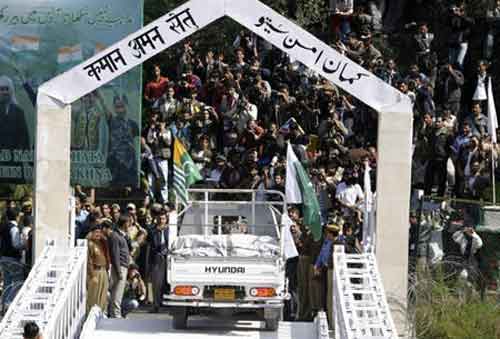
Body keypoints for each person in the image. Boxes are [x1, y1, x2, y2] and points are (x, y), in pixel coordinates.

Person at [107, 215, 130, 318]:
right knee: (117, 293)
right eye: (129, 223)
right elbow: (115, 254)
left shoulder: (122, 236)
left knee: (118, 292)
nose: (129, 225)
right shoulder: (115, 236)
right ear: (124, 223)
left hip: (123, 266)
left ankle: (114, 313)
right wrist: (119, 271)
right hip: (119, 267)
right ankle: (115, 314)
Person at [0, 75, 30, 150]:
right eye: (1, 89)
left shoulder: (18, 111)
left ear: (11, 91)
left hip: (14, 157)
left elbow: (24, 136)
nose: (4, 92)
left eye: (7, 89)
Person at [86, 224, 110, 313]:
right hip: (95, 271)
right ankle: (90, 314)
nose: (98, 234)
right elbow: (89, 261)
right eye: (96, 232)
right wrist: (92, 275)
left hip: (104, 270)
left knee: (103, 295)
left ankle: (101, 313)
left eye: (99, 232)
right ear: (91, 233)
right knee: (94, 296)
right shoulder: (90, 244)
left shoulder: (102, 243)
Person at [150, 210, 169, 313]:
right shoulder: (153, 230)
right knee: (157, 283)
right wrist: (157, 230)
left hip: (168, 258)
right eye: (160, 219)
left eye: (163, 219)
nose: (161, 221)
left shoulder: (170, 230)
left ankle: (167, 304)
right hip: (157, 258)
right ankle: (156, 305)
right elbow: (153, 244)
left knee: (167, 283)